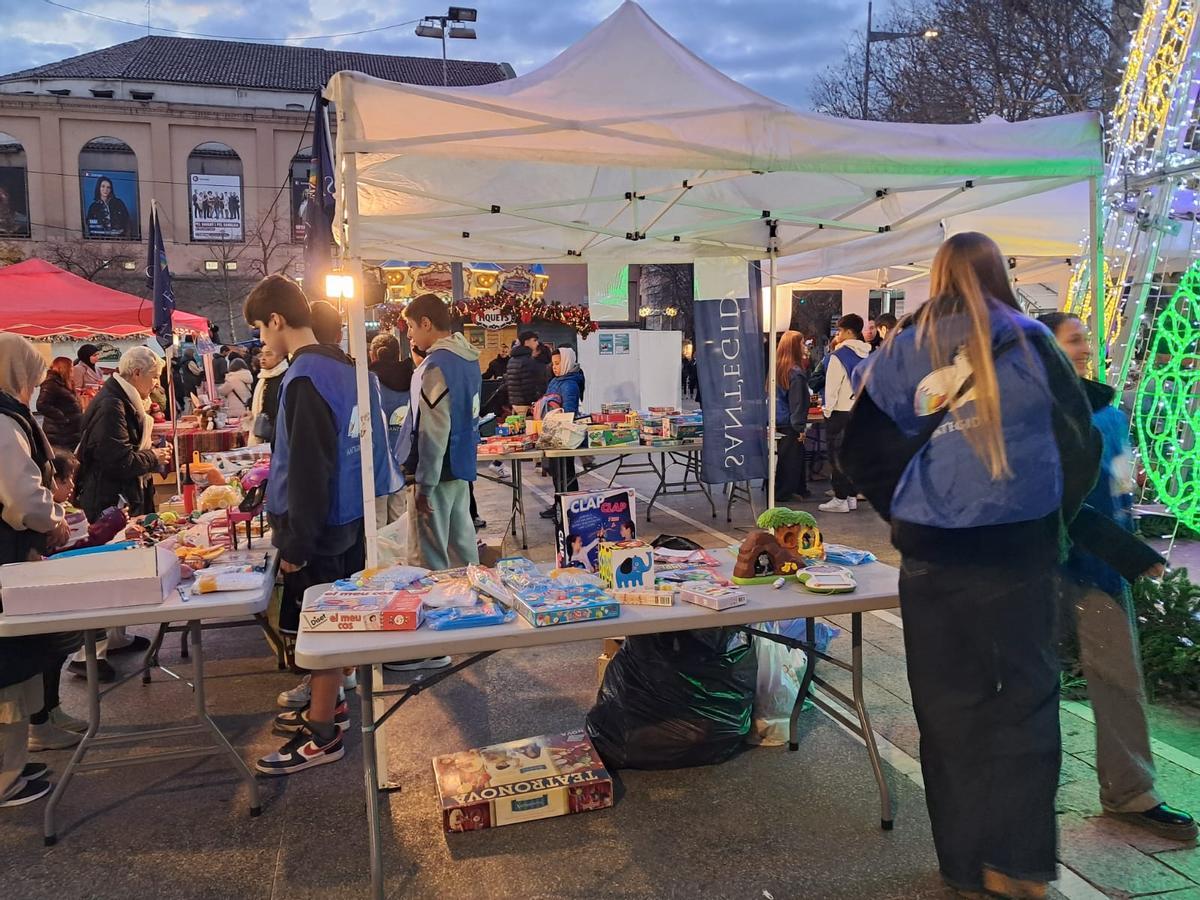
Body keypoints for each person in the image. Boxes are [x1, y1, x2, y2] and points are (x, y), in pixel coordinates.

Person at [843, 232, 1103, 898]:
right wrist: (1051, 523)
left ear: (937, 275)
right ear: (998, 274)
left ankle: (964, 865)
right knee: (1026, 705)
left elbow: (860, 451)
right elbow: (1080, 445)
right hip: (1019, 552)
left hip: (933, 556)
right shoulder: (1034, 341)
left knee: (947, 712)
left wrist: (907, 516)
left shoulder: (902, 348)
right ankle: (1017, 866)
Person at [1039, 311, 1196, 842]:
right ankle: (1024, 793)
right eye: (1073, 338)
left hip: (1103, 569)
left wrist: (1129, 546)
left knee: (1119, 679)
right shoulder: (1037, 414)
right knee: (1031, 685)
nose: (1085, 346)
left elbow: (1121, 489)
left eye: (1086, 337)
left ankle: (1132, 792)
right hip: (1045, 566)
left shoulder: (1110, 412)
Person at [245, 275, 398, 774]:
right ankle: (328, 710)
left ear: (277, 320)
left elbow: (308, 469)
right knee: (332, 623)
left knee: (322, 627)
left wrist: (295, 541)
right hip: (349, 514)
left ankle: (323, 735)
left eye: (260, 329)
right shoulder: (345, 365)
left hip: (321, 521)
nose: (261, 340)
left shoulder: (305, 378)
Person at [70, 346, 172, 681]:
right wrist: (154, 456)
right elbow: (118, 459)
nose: (156, 382)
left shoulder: (120, 397)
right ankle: (88, 654)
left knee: (122, 564)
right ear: (136, 373)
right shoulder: (113, 403)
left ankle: (115, 637)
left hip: (117, 496)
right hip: (106, 498)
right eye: (154, 375)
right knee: (104, 571)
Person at [0, 334, 70, 807]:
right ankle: (5, 778)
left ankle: (14, 763)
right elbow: (22, 497)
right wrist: (54, 520)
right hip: (6, 559)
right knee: (10, 664)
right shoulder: (4, 423)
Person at [403, 293, 482, 572]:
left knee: (430, 559)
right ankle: (475, 605)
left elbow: (432, 431)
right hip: (461, 467)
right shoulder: (469, 359)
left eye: (411, 327)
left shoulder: (436, 366)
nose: (410, 336)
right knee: (463, 550)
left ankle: (438, 611)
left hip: (436, 474)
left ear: (426, 323)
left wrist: (424, 485)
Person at [28, 451, 87, 753]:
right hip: (33, 580)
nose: (73, 485)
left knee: (54, 652)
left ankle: (50, 711)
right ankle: (39, 724)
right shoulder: (46, 513)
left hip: (44, 579)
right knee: (43, 652)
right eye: (67, 479)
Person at [817, 314, 871, 513]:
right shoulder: (869, 354)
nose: (837, 335)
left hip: (839, 412)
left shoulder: (838, 357)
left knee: (836, 456)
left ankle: (840, 497)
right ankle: (851, 496)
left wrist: (827, 411)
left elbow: (832, 389)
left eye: (839, 331)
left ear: (849, 331)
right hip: (860, 412)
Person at [368, 333, 412, 527]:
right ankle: (398, 558)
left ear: (374, 355)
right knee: (399, 522)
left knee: (377, 524)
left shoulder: (367, 382)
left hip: (377, 463)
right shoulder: (414, 376)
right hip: (404, 460)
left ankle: (380, 558)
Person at [537, 347, 586, 519]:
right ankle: (559, 504)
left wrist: (554, 415)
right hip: (553, 433)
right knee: (557, 472)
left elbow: (570, 412)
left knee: (565, 472)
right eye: (553, 364)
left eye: (558, 363)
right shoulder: (556, 380)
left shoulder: (570, 383)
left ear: (566, 362)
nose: (554, 367)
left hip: (563, 434)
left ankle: (570, 508)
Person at [774, 331, 811, 502]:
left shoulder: (778, 368)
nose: (805, 346)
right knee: (791, 459)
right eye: (802, 343)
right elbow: (797, 403)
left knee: (785, 457)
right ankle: (784, 492)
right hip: (790, 422)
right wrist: (800, 428)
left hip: (779, 419)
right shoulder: (796, 373)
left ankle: (794, 489)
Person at [36, 357, 83, 451]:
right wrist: (62, 418)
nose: (72, 370)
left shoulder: (65, 382)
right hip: (59, 433)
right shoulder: (51, 383)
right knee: (64, 461)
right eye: (71, 368)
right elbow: (42, 405)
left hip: (69, 431)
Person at [246, 345, 287, 447]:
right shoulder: (262, 378)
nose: (263, 358)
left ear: (281, 357)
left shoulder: (285, 378)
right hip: (263, 435)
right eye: (261, 354)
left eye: (268, 354)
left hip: (280, 437)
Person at [504, 331, 549, 413]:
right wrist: (533, 401)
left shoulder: (512, 359)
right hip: (525, 404)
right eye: (534, 340)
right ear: (526, 342)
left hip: (515, 402)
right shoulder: (527, 360)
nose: (537, 343)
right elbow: (528, 385)